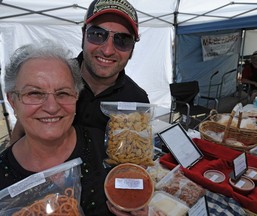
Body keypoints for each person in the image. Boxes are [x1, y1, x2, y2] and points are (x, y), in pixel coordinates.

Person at [0, 41, 150, 216]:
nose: (51, 107)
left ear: (76, 96)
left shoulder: (109, 148)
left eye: (63, 93)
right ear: (12, 101)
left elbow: (135, 192)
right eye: (34, 93)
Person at [10, 0, 150, 143]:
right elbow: (22, 129)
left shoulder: (138, 100)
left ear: (132, 49)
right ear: (83, 35)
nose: (107, 51)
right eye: (97, 34)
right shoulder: (54, 76)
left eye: (123, 40)